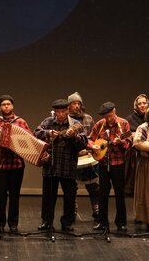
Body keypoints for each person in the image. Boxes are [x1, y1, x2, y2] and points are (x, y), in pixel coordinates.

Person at [34, 99, 87, 232]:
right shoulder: (48, 122)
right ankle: (47, 222)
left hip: (68, 165)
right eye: (58, 112)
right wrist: (48, 133)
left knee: (69, 196)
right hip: (50, 165)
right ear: (55, 112)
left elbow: (83, 143)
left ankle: (67, 223)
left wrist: (73, 136)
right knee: (48, 196)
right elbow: (36, 133)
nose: (61, 114)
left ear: (68, 110)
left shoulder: (76, 124)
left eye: (63, 111)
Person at [0, 94, 33, 235]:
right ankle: (0, 223)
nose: (6, 106)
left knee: (14, 196)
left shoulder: (20, 121)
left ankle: (13, 224)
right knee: (0, 196)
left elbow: (30, 139)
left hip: (16, 164)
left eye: (8, 104)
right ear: (0, 108)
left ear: (12, 106)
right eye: (3, 104)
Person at [88, 102, 131, 232]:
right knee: (102, 193)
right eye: (106, 116)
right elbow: (90, 139)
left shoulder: (123, 124)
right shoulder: (99, 125)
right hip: (103, 163)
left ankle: (121, 222)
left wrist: (121, 142)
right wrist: (93, 146)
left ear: (114, 111)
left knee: (119, 193)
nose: (108, 118)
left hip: (118, 163)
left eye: (110, 115)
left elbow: (129, 143)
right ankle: (102, 222)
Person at [67, 91, 100, 222]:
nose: (77, 106)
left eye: (78, 103)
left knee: (94, 185)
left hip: (88, 155)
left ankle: (96, 210)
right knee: (71, 186)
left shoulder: (88, 119)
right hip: (72, 157)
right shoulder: (66, 120)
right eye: (74, 103)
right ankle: (72, 210)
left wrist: (89, 148)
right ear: (69, 105)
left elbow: (93, 137)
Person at [124, 93, 149, 197]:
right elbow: (124, 135)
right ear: (136, 106)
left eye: (144, 103)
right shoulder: (130, 119)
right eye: (140, 104)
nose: (142, 105)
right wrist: (133, 135)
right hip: (135, 155)